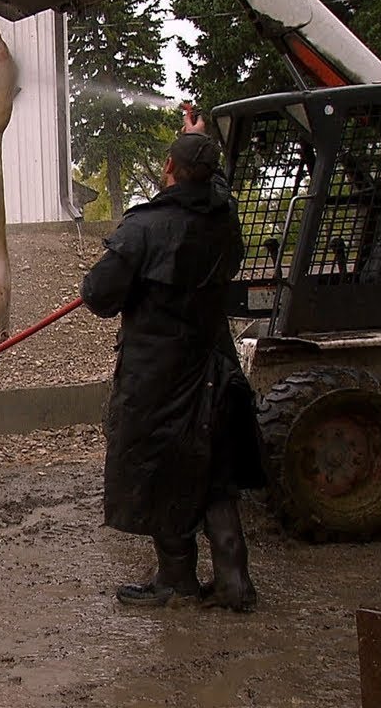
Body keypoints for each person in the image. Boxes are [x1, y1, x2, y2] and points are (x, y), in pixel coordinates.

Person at [79, 113, 262, 612]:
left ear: (168, 168)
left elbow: (98, 295)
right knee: (214, 468)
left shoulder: (144, 227)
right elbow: (214, 187)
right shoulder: (224, 220)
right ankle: (233, 581)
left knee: (162, 467)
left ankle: (175, 580)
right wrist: (198, 141)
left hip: (158, 376)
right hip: (214, 365)